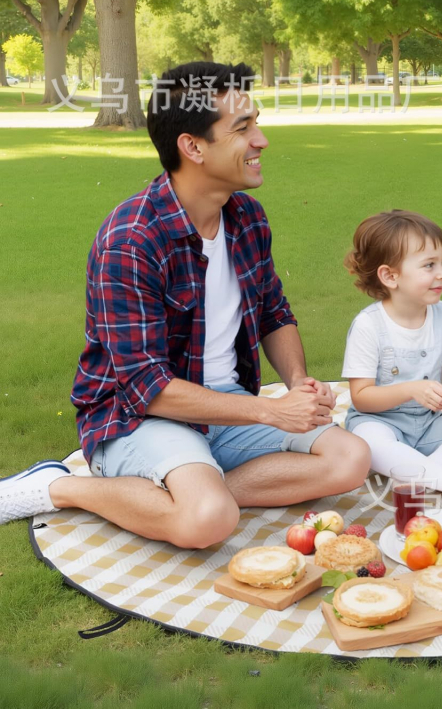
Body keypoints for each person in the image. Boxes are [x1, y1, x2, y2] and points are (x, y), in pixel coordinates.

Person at [0, 62, 371, 546]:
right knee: (207, 522)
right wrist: (271, 413)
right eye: (243, 128)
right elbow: (146, 387)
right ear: (193, 147)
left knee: (351, 459)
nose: (260, 140)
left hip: (228, 407)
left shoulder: (247, 217)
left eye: (256, 123)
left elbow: (273, 313)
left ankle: (195, 491)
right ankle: (62, 486)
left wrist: (299, 385)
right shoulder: (131, 241)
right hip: (138, 417)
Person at [342, 211, 442, 506]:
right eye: (429, 265)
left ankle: (415, 476)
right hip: (381, 423)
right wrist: (411, 389)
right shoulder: (368, 325)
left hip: (432, 424)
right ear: (390, 276)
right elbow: (361, 397)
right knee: (366, 442)